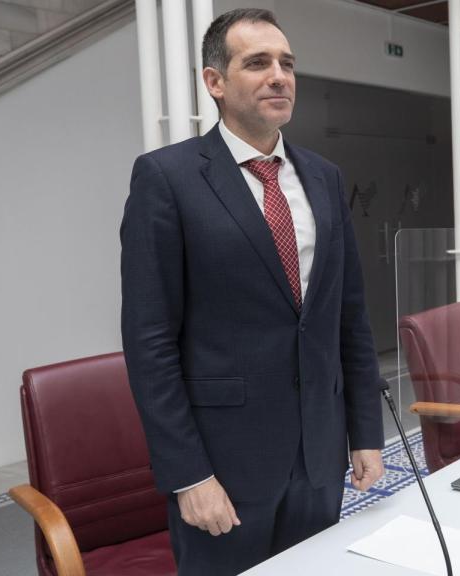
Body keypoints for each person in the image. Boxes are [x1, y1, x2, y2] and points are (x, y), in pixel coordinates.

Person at [120, 9, 384, 575]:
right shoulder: (167, 179)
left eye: (287, 64)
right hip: (224, 468)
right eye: (257, 63)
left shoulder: (324, 178)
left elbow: (349, 319)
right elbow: (150, 344)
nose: (279, 76)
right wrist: (189, 475)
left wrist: (365, 432)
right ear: (214, 82)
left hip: (319, 456)